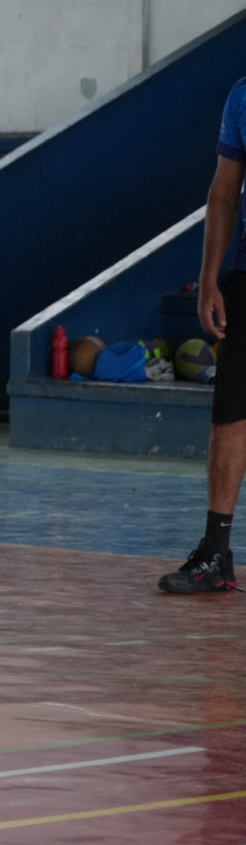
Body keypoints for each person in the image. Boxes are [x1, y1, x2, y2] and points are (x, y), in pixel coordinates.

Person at [160, 76, 246, 594]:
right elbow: (224, 190)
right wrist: (210, 279)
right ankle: (216, 552)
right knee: (231, 413)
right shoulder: (241, 95)